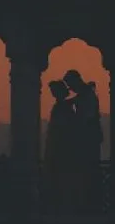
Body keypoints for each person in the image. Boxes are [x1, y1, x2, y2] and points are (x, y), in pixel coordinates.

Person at [63, 70, 103, 213]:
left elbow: (87, 117)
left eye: (70, 85)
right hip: (88, 137)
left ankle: (90, 203)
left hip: (88, 137)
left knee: (88, 170)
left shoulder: (87, 95)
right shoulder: (85, 94)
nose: (70, 89)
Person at [43, 79, 77, 216]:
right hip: (61, 150)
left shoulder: (62, 108)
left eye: (53, 91)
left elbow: (61, 129)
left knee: (59, 181)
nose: (52, 94)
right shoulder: (65, 107)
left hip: (60, 151)